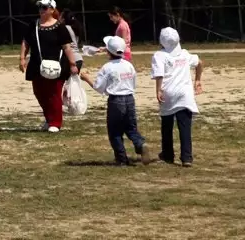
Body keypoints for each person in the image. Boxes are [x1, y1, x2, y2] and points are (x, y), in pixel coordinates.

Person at [80, 36, 155, 165]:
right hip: (130, 99)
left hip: (115, 101)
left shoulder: (107, 67)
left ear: (108, 51)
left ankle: (121, 159)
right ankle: (140, 144)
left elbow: (99, 88)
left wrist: (86, 78)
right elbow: (133, 83)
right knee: (131, 128)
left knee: (115, 131)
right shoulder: (129, 65)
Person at [19, 0, 79, 133]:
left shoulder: (59, 27)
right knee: (39, 92)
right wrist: (22, 58)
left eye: (44, 7)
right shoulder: (33, 25)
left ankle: (55, 123)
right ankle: (48, 118)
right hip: (37, 64)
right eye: (40, 7)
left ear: (52, 10)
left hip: (56, 65)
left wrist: (72, 64)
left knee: (54, 94)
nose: (41, 10)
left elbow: (67, 47)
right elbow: (26, 42)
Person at [151, 27, 203, 167]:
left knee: (166, 126)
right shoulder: (184, 54)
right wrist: (198, 80)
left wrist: (158, 90)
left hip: (168, 93)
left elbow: (159, 74)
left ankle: (168, 154)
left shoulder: (159, 55)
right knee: (185, 126)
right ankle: (187, 157)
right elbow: (199, 62)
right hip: (185, 94)